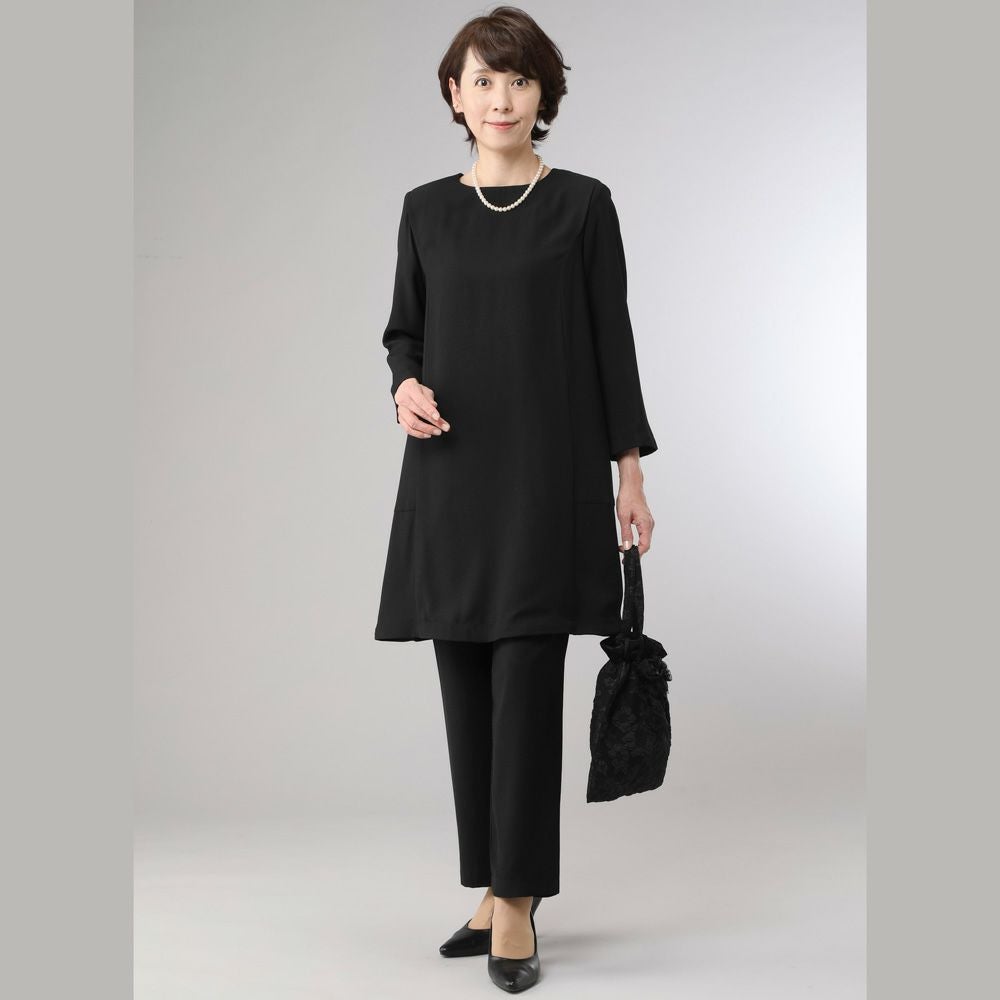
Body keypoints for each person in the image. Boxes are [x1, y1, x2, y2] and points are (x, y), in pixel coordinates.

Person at [374, 6, 658, 992]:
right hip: (451, 479)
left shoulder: (582, 205)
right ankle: (492, 885)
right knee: (465, 693)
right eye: (483, 80)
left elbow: (611, 343)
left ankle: (521, 901)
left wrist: (629, 471)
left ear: (545, 95)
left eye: (519, 80)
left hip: (545, 479)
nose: (501, 98)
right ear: (455, 96)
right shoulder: (424, 210)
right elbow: (403, 331)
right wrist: (403, 386)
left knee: (527, 691)